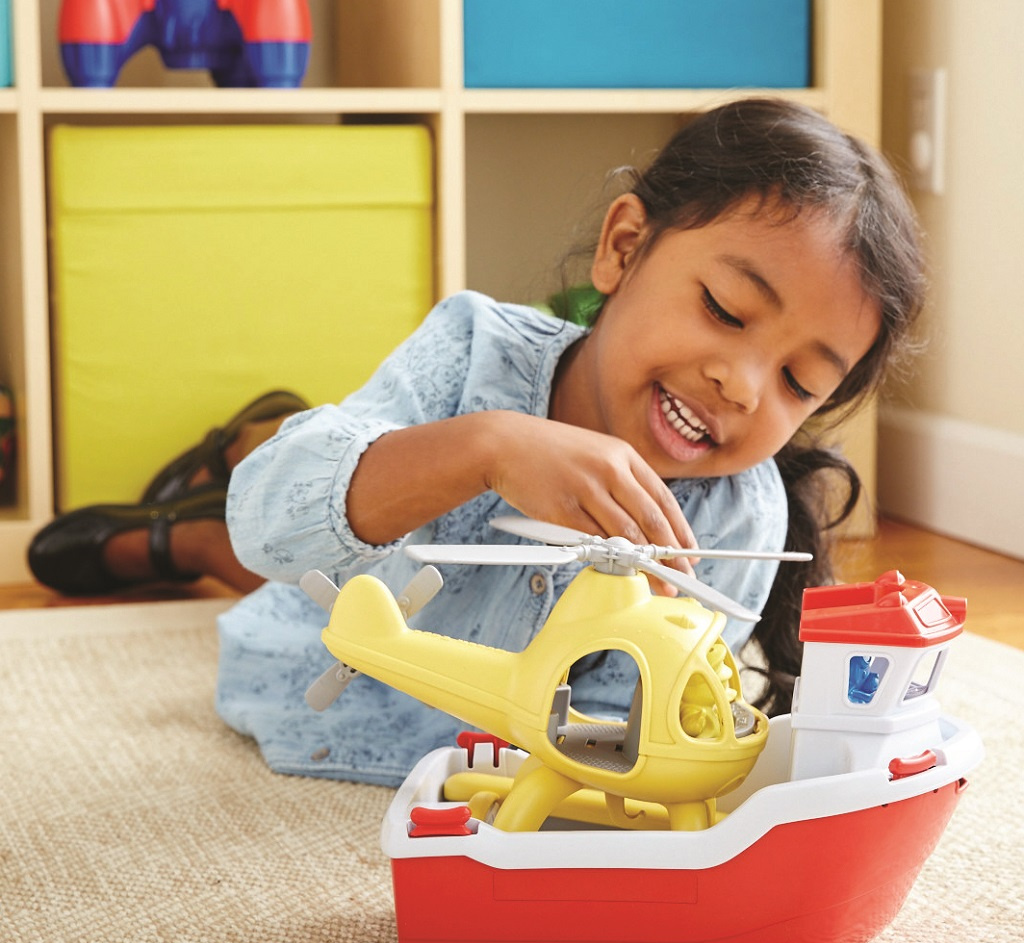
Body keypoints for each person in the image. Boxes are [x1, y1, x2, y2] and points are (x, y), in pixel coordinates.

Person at [29, 98, 925, 787]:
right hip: (318, 652)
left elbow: (631, 742)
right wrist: (489, 447)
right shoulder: (473, 354)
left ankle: (206, 495)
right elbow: (273, 525)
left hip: (478, 762)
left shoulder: (737, 519)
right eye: (725, 310)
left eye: (799, 382)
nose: (743, 385)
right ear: (623, 248)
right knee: (291, 556)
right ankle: (187, 531)